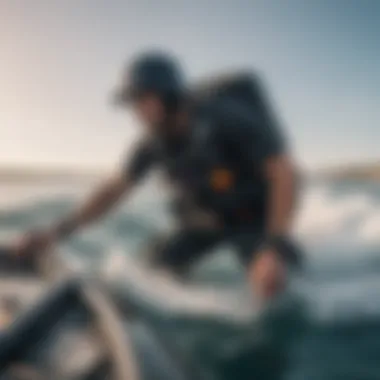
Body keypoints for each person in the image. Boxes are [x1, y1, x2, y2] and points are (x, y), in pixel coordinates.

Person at [14, 51, 301, 301]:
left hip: (252, 220)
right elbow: (114, 189)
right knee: (148, 277)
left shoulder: (226, 117)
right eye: (133, 103)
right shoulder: (151, 143)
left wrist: (274, 248)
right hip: (203, 221)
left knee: (273, 287)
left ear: (168, 93)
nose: (136, 111)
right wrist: (56, 232)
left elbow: (284, 174)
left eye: (143, 99)